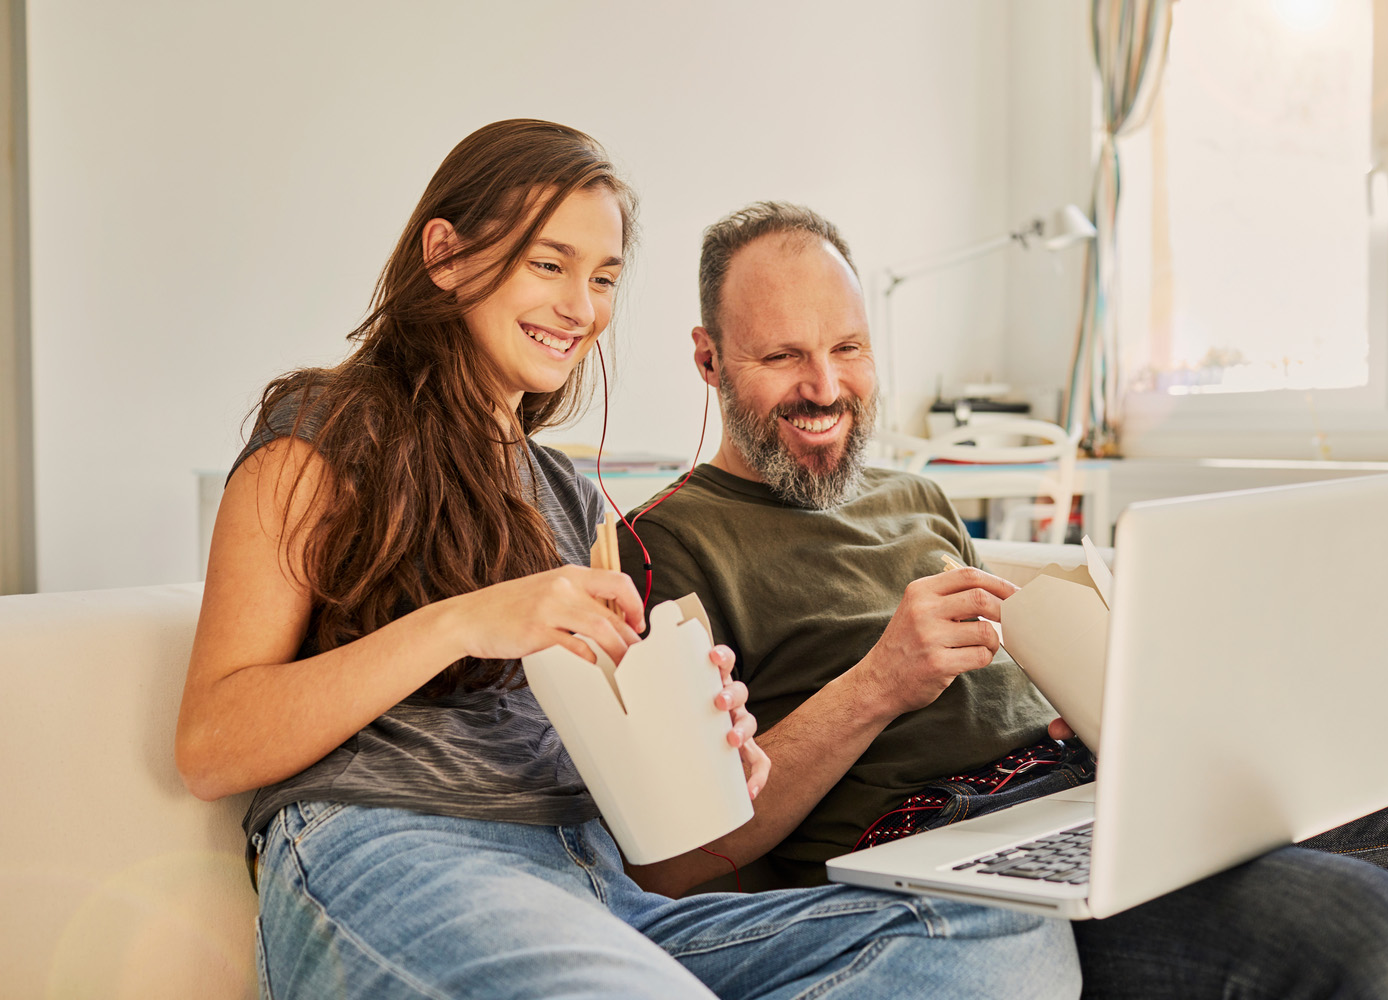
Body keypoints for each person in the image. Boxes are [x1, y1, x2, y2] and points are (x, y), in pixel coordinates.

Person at [175, 122, 1082, 999]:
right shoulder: (327, 430)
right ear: (446, 255)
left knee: (999, 938)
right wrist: (463, 622)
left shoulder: (566, 496)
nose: (581, 307)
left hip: (598, 883)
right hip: (398, 847)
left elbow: (661, 848)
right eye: (549, 263)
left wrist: (700, 749)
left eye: (603, 276)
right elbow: (213, 743)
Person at [619, 200, 1388, 999]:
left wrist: (1096, 701)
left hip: (1097, 795)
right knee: (1380, 949)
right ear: (707, 358)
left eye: (847, 349)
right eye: (782, 356)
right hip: (956, 868)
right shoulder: (668, 544)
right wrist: (879, 682)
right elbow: (686, 858)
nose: (824, 387)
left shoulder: (917, 498)